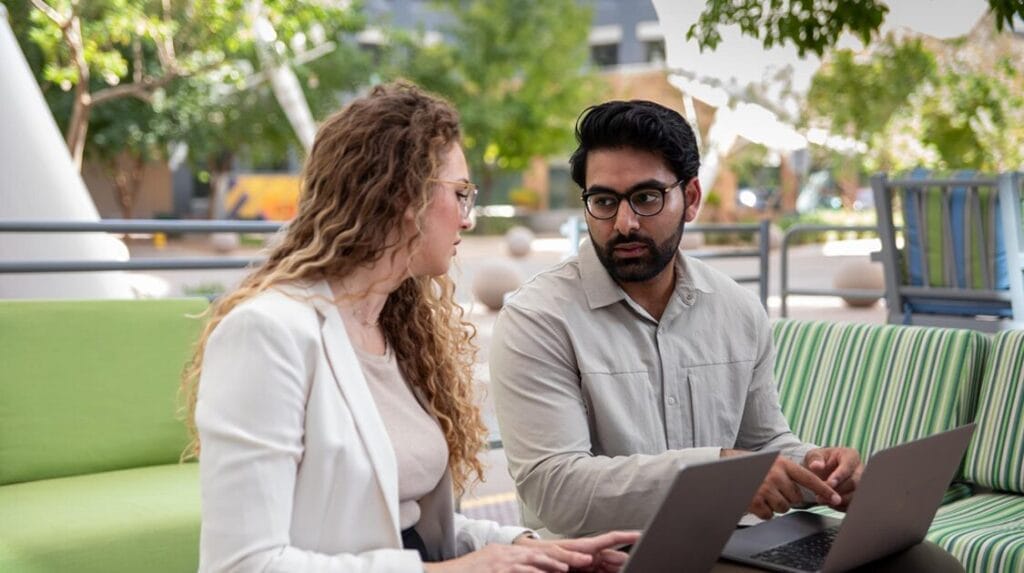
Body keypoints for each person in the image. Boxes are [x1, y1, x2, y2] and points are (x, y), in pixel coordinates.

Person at [181, 82, 637, 572]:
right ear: (403, 195)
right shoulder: (267, 333)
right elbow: (243, 564)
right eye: (461, 194)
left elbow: (410, 527)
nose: (468, 219)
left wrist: (525, 546)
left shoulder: (395, 328)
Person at [489, 99, 864, 538]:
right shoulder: (537, 320)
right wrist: (718, 472)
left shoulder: (737, 311)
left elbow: (762, 445)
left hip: (725, 548)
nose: (624, 222)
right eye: (604, 201)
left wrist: (818, 468)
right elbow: (557, 493)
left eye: (646, 197)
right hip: (603, 562)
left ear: (690, 199)